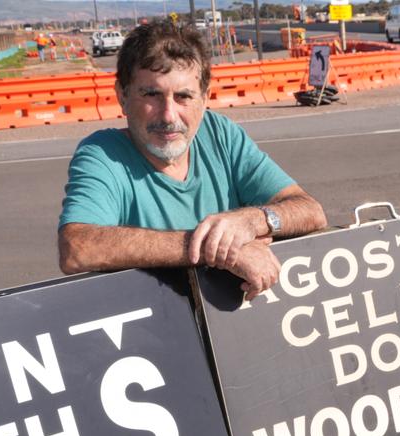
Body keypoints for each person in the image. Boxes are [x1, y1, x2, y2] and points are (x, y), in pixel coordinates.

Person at [58, 21, 326, 299]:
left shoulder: (220, 134)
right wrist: (218, 249)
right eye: (151, 94)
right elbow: (77, 247)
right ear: (122, 96)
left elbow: (311, 211)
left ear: (205, 98)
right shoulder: (102, 154)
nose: (169, 116)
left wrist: (253, 221)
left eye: (184, 97)